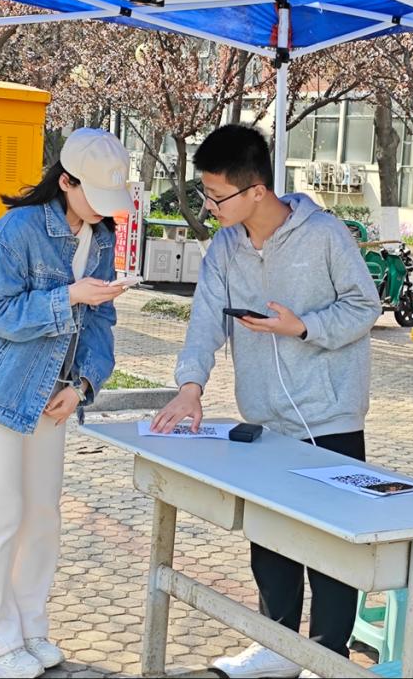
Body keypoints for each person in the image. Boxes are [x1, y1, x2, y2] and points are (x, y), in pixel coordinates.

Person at [152, 124, 381, 679]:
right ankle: (276, 645)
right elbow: (205, 320)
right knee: (270, 540)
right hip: (263, 419)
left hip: (330, 415)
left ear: (256, 190)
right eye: (205, 194)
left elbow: (365, 306)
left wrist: (303, 326)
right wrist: (190, 386)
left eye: (216, 196)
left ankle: (327, 657)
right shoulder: (224, 247)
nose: (208, 207)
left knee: (331, 544)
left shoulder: (324, 235)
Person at [0, 128, 133, 679]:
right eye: (95, 194)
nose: (104, 209)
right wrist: (68, 295)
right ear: (66, 181)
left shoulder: (99, 239)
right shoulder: (15, 231)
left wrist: (84, 385)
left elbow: (100, 320)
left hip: (52, 391)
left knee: (41, 516)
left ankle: (27, 628)